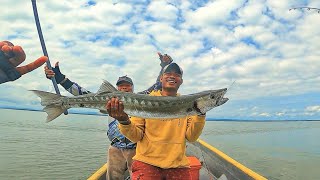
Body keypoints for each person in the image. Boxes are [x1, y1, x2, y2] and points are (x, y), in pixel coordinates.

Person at [44, 52, 173, 179]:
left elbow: (157, 85)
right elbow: (81, 93)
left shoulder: (141, 99)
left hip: (137, 149)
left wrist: (165, 65)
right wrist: (59, 78)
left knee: (138, 176)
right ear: (116, 88)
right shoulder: (107, 99)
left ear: (132, 88)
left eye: (127, 86)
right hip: (115, 147)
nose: (124, 88)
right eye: (121, 86)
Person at [106, 62, 206, 179]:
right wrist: (124, 121)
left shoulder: (188, 105)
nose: (172, 76)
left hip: (178, 164)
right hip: (146, 162)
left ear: (181, 81)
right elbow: (136, 137)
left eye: (177, 75)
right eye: (168, 73)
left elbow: (191, 137)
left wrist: (200, 115)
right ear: (161, 78)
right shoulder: (146, 100)